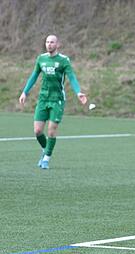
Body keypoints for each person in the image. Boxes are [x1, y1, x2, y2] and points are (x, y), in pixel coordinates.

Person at [18, 34, 88, 169]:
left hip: (57, 100)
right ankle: (45, 150)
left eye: (52, 42)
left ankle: (46, 159)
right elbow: (34, 76)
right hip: (43, 99)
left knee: (51, 131)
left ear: (57, 44)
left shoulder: (64, 60)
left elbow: (72, 77)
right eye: (47, 42)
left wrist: (78, 92)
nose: (49, 44)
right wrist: (24, 92)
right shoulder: (41, 59)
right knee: (37, 131)